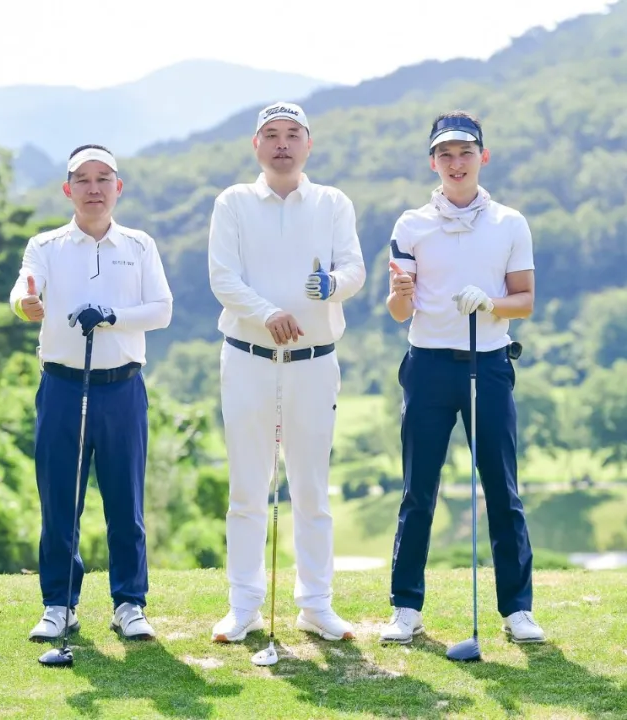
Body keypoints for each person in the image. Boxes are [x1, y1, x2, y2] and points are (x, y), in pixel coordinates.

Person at [379, 111, 546, 645]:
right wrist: (400, 295)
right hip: (427, 366)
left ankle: (517, 610)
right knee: (418, 491)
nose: (456, 163)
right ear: (433, 162)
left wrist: (490, 302)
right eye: (445, 155)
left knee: (502, 490)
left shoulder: (509, 223)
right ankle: (406, 607)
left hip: (488, 364)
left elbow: (525, 301)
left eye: (465, 153)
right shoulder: (411, 225)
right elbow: (399, 312)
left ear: (483, 157)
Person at [207, 101, 367, 643]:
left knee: (311, 489)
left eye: (293, 134)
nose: (282, 144)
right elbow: (223, 278)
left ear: (308, 144)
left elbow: (354, 268)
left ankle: (316, 605)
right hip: (248, 357)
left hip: (313, 361)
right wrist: (267, 313)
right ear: (256, 145)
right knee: (248, 488)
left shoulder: (332, 202)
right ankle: (244, 605)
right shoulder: (232, 202)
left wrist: (333, 285)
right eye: (271, 134)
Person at [9, 144, 173, 643]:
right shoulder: (46, 245)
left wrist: (112, 316)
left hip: (122, 389)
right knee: (61, 501)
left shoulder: (139, 245)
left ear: (118, 187)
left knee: (126, 503)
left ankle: (129, 603)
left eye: (104, 179)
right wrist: (25, 304)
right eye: (83, 179)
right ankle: (59, 604)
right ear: (68, 189)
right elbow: (23, 289)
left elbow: (162, 310)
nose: (94, 188)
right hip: (62, 386)